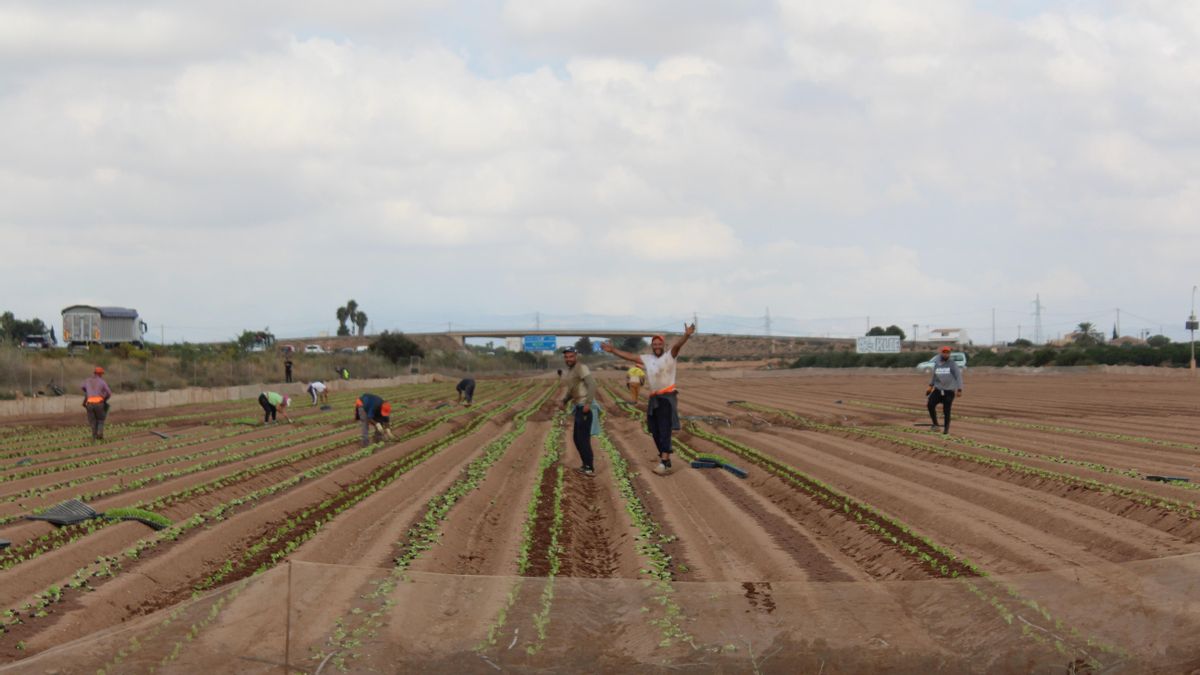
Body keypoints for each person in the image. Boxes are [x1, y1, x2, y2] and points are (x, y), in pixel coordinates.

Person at [602, 323, 696, 475]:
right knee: (654, 430)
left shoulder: (670, 355)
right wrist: (613, 350)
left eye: (659, 344)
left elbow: (678, 345)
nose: (657, 346)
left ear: (663, 345)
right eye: (654, 344)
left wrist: (686, 335)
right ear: (652, 346)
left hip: (667, 397)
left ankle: (664, 462)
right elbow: (630, 356)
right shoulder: (647, 358)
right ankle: (665, 457)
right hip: (654, 399)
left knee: (665, 429)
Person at [558, 346, 598, 476]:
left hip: (584, 407)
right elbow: (572, 390)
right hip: (578, 407)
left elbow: (592, 384)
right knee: (577, 438)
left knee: (583, 439)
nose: (568, 359)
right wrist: (564, 400)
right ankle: (585, 464)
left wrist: (588, 403)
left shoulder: (581, 367)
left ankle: (590, 467)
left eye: (571, 356)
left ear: (576, 356)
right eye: (566, 357)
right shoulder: (570, 370)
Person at [926, 346, 964, 434]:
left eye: (948, 353)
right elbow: (934, 376)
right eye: (944, 352)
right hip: (938, 390)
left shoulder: (952, 364)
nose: (946, 354)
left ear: (949, 354)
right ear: (941, 353)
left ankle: (946, 429)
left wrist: (960, 389)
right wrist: (930, 386)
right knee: (930, 404)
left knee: (946, 410)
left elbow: (958, 377)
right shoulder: (937, 364)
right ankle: (936, 425)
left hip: (949, 391)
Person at [81, 366, 112, 440]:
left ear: (94, 373)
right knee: (100, 419)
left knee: (92, 420)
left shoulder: (88, 380)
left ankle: (94, 436)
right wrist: (104, 399)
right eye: (102, 374)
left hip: (89, 404)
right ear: (101, 374)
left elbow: (82, 387)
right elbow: (109, 393)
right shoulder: (102, 381)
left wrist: (88, 392)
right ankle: (99, 433)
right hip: (99, 403)